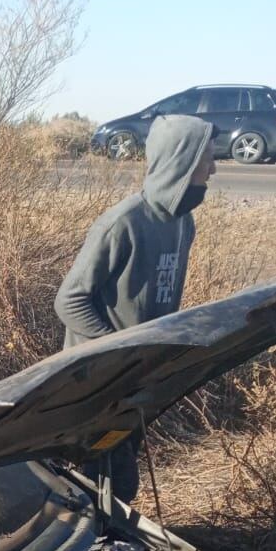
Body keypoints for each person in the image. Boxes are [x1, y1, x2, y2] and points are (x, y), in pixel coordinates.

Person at [54, 113, 217, 502]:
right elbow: (69, 300)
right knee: (105, 479)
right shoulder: (122, 224)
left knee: (121, 460)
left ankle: (110, 541)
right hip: (98, 380)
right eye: (206, 158)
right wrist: (122, 348)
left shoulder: (183, 223)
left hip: (138, 377)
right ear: (182, 159)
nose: (213, 168)